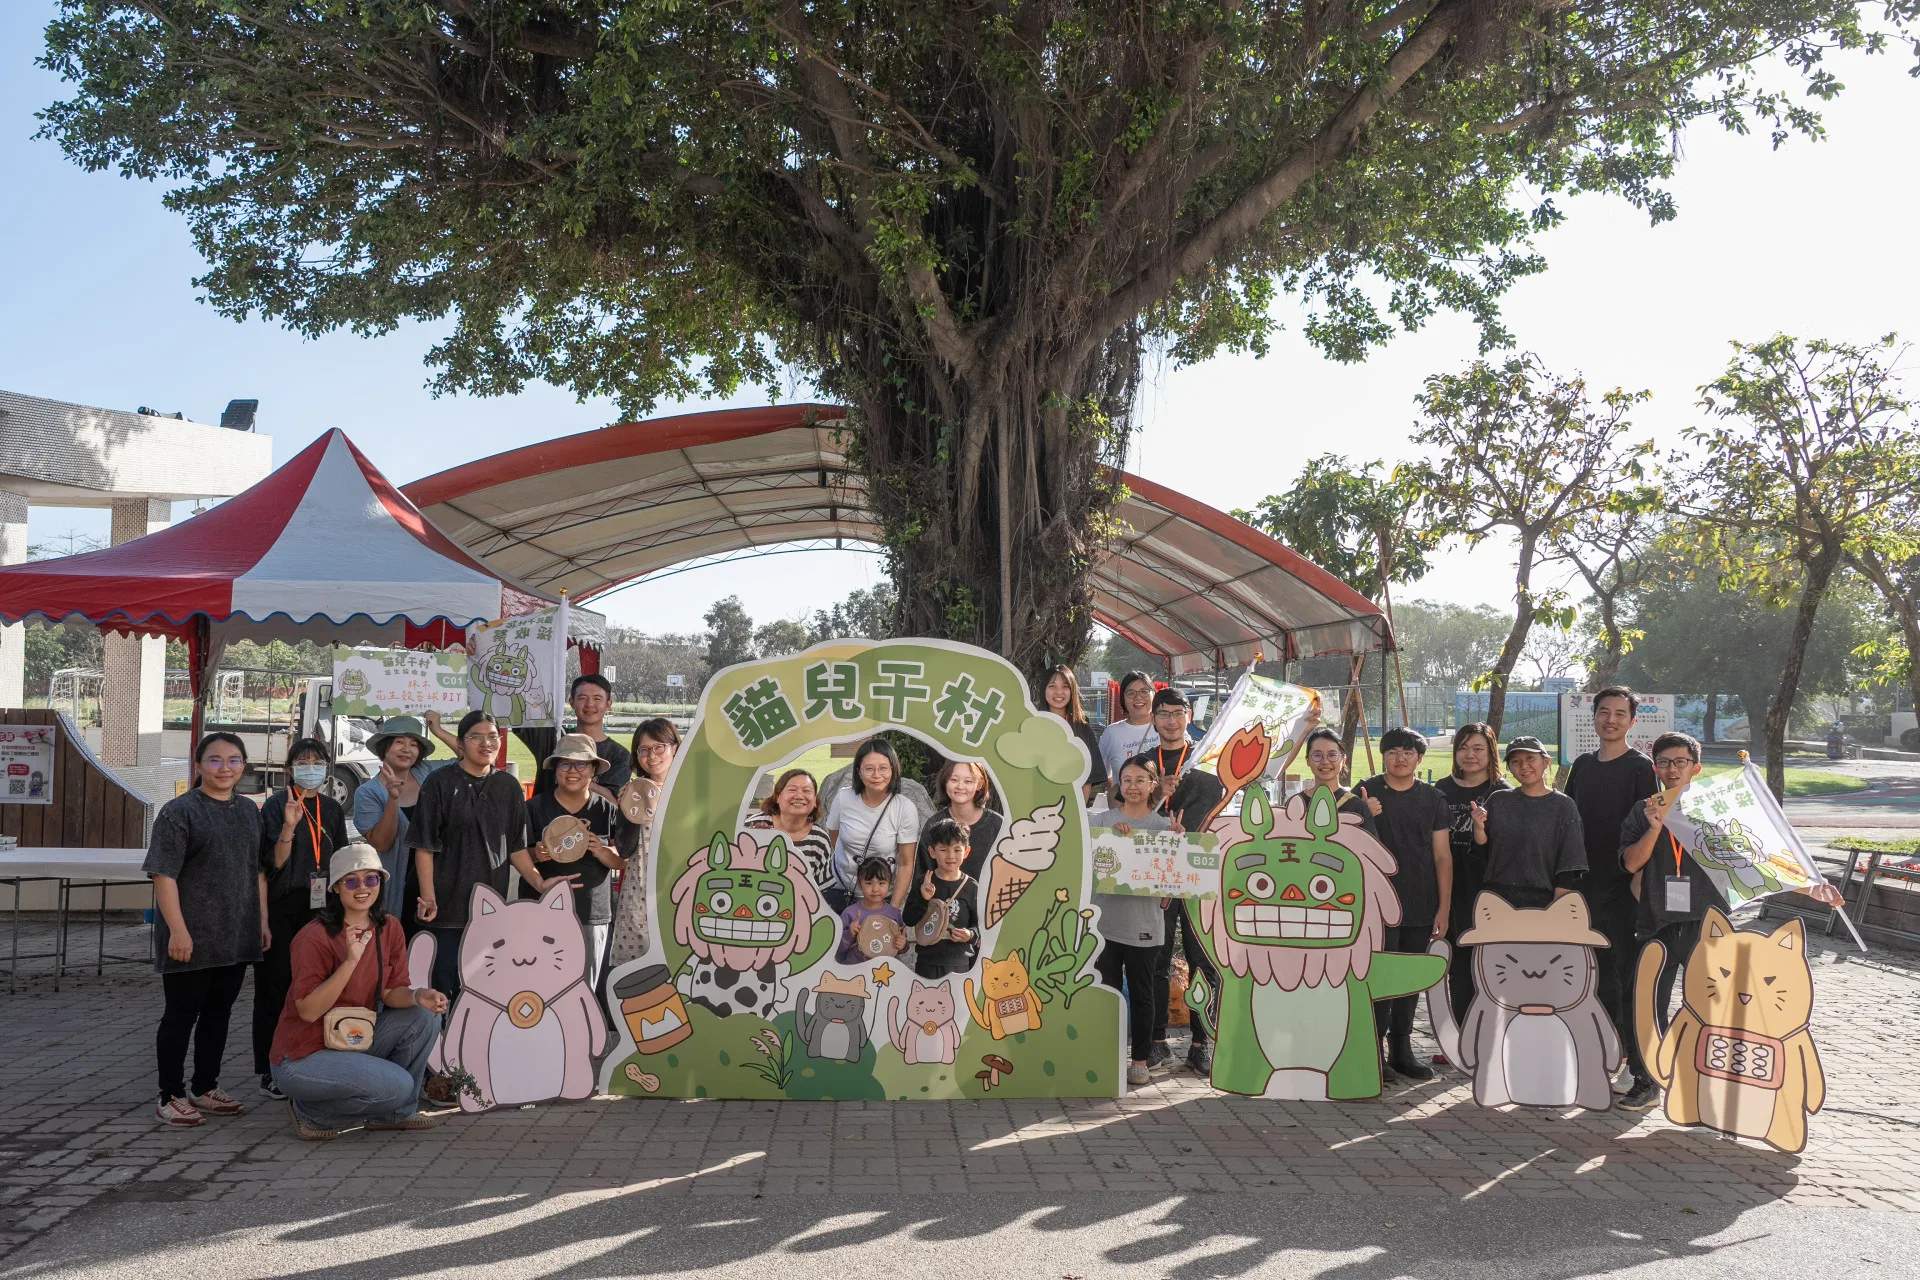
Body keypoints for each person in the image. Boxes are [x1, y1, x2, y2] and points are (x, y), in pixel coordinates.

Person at [267, 843, 450, 1140]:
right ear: (337, 887)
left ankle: (394, 1114)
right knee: (398, 1086)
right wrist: (351, 960)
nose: (362, 887)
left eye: (371, 879)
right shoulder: (313, 937)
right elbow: (308, 1010)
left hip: (352, 1036)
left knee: (425, 1017)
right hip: (302, 1056)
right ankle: (310, 1113)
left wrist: (418, 995)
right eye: (352, 880)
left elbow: (392, 993)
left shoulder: (389, 927)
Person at [145, 732, 269, 1128]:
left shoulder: (249, 810)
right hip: (190, 937)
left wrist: (261, 923)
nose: (224, 768)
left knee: (219, 1013)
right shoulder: (179, 812)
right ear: (198, 765)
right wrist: (178, 931)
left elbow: (257, 872)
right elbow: (163, 875)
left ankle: (204, 1086)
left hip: (235, 935)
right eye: (214, 760)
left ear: (244, 767)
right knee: (181, 1015)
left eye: (233, 760)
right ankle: (170, 1095)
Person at [1563, 686, 1658, 1102]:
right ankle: (1610, 1058)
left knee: (1626, 980)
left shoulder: (1641, 768)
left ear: (1633, 721)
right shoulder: (1582, 765)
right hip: (1585, 887)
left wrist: (1638, 884)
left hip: (1623, 888)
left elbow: (1649, 832)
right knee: (1596, 978)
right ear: (1594, 717)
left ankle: (1645, 1075)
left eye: (1621, 714)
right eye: (1604, 712)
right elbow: (1567, 822)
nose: (1611, 720)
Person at [1614, 731, 1715, 1112]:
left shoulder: (1714, 809)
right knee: (1647, 1005)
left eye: (1680, 762)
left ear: (1696, 767)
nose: (1672, 770)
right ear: (1655, 767)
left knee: (1711, 1004)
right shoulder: (1644, 809)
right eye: (1664, 763)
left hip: (1706, 922)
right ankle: (1646, 1081)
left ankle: (1705, 1085)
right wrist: (1655, 828)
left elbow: (1749, 858)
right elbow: (1630, 863)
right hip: (1656, 920)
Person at [253, 737, 352, 1101]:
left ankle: (313, 1057)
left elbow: (339, 860)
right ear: (289, 768)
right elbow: (271, 865)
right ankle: (268, 1067)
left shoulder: (332, 807)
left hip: (322, 907)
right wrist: (289, 827)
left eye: (318, 761)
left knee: (318, 985)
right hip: (282, 908)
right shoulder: (275, 806)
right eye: (303, 761)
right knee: (274, 989)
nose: (311, 767)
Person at [410, 710, 532, 1000]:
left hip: (490, 907)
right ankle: (440, 1040)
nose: (486, 743)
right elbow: (425, 846)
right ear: (461, 744)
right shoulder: (439, 783)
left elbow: (516, 846)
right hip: (446, 905)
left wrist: (540, 883)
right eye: (476, 737)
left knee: (484, 984)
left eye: (492, 737)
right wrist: (428, 898)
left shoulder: (509, 787)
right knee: (443, 981)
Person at [1357, 728, 1453, 1082]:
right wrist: (1362, 812)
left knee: (1408, 981)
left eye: (1408, 752)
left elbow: (1442, 856)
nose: (1400, 758)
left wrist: (1443, 908)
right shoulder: (1365, 791)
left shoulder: (1433, 798)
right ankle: (1372, 1049)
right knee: (1378, 979)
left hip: (1419, 901)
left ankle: (1402, 1049)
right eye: (1393, 751)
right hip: (1375, 905)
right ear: (1383, 756)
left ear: (1420, 759)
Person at [1145, 688, 1223, 1073]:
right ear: (1154, 718)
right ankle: (1156, 1041)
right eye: (1164, 713)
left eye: (1178, 712)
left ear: (1189, 715)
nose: (1171, 720)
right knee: (1155, 956)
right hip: (1154, 867)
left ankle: (1201, 1041)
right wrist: (1155, 793)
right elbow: (1118, 803)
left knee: (1201, 956)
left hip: (1199, 866)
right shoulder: (1142, 762)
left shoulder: (1209, 757)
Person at [511, 733, 628, 989]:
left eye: (581, 764)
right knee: (538, 984)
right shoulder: (534, 808)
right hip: (541, 908)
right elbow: (516, 853)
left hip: (591, 912)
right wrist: (536, 854)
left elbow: (622, 862)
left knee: (584, 987)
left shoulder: (607, 810)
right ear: (555, 770)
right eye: (565, 764)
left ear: (594, 770)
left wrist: (601, 851)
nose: (573, 771)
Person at [1094, 754, 1172, 1087]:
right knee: (1106, 991)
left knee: (1142, 993)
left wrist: (1179, 847)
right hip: (1104, 921)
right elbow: (1093, 870)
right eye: (1127, 780)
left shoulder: (1166, 826)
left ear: (1154, 785)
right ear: (1118, 785)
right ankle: (1108, 1056)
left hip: (1145, 923)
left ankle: (1139, 1060)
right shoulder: (1100, 821)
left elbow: (1171, 890)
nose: (1133, 786)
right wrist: (1116, 841)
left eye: (1142, 780)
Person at [1433, 723, 1507, 1046]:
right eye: (1463, 747)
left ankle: (1491, 1035)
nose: (1470, 755)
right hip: (1450, 886)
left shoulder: (1502, 793)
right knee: (1458, 966)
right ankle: (1463, 1038)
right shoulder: (1441, 789)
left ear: (1491, 752)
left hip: (1489, 890)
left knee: (1490, 967)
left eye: (1478, 748)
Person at [1469, 736, 1586, 910]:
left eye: (1530, 758)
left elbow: (1568, 864)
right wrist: (1478, 827)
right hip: (1496, 898)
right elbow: (1483, 852)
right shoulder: (1498, 800)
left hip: (1542, 901)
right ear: (1509, 768)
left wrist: (1557, 908)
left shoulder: (1563, 806)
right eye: (1516, 761)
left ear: (1546, 761)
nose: (1524, 766)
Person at [353, 716, 449, 925]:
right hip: (398, 885)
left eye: (414, 744)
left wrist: (439, 731)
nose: (407, 749)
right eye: (399, 742)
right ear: (384, 747)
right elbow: (382, 843)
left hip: (438, 881)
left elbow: (471, 757)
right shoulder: (368, 793)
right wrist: (392, 799)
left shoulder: (429, 773)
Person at [608, 717, 680, 969]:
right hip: (640, 889)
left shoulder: (692, 792)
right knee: (636, 968)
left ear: (674, 748)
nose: (651, 756)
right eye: (643, 750)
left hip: (682, 887)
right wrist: (629, 809)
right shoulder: (633, 792)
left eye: (659, 747)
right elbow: (624, 848)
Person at [825, 738, 919, 912]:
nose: (876, 775)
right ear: (858, 772)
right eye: (869, 768)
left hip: (881, 895)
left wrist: (893, 909)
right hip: (841, 889)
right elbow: (834, 837)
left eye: (883, 768)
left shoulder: (904, 808)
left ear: (894, 770)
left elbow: (906, 863)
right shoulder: (843, 798)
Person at [529, 674, 634, 800]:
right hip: (544, 818)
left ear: (608, 704)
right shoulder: (553, 737)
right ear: (572, 702)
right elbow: (518, 716)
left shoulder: (620, 755)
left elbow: (614, 802)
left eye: (597, 698)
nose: (590, 704)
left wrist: (581, 780)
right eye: (583, 698)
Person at [901, 818, 981, 979]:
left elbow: (980, 925)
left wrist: (970, 934)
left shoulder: (972, 887)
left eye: (957, 850)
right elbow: (908, 919)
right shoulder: (923, 882)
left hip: (959, 962)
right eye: (944, 850)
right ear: (932, 852)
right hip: (927, 961)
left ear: (966, 852)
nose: (950, 856)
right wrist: (923, 899)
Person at [746, 768, 834, 898]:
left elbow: (819, 891)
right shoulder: (753, 827)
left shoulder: (819, 840)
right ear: (778, 797)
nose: (799, 796)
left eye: (807, 791)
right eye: (792, 790)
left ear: (815, 801)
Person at [918, 758, 1003, 881]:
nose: (960, 786)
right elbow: (922, 877)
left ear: (979, 784)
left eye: (968, 781)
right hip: (942, 899)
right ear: (945, 781)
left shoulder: (997, 825)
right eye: (954, 780)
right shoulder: (934, 825)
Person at [1039, 664, 1108, 804]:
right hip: (1037, 802)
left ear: (1072, 691)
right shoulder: (1034, 725)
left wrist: (1078, 812)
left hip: (1072, 803)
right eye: (1052, 686)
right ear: (1043, 690)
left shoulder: (1082, 729)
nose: (1059, 692)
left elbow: (1088, 778)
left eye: (1065, 686)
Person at [1300, 726, 1381, 837]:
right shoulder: (1297, 804)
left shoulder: (1357, 807)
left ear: (1343, 760)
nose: (1325, 761)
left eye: (1332, 755)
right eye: (1317, 755)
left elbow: (1370, 851)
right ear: (1308, 761)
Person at [1098, 671, 1160, 798]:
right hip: (1124, 813)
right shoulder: (1111, 733)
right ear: (1123, 699)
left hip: (1161, 811)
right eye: (1131, 693)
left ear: (1154, 694)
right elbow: (1101, 774)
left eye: (1144, 691)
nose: (1138, 697)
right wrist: (1117, 795)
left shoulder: (1166, 726)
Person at [836, 856, 907, 965]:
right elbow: (837, 948)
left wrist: (903, 945)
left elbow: (901, 945)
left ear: (890, 884)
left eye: (882, 883)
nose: (875, 889)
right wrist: (850, 933)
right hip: (855, 972)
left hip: (885, 973)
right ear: (860, 884)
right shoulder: (850, 913)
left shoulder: (894, 914)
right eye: (869, 883)